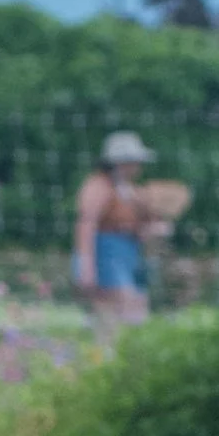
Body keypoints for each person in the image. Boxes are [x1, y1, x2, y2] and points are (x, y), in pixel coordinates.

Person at [73, 129, 190, 331]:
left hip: (128, 253)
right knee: (116, 309)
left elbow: (134, 228)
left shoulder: (131, 191)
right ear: (119, 162)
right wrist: (86, 265)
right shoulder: (98, 186)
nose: (138, 166)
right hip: (104, 252)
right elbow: (86, 223)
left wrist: (153, 229)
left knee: (135, 309)